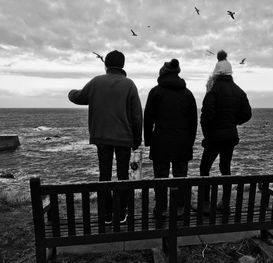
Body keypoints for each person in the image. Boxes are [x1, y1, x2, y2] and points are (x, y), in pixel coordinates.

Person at [68, 50, 143, 224]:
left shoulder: (96, 82)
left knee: (105, 176)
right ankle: (122, 212)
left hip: (101, 136)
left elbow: (78, 97)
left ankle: (107, 214)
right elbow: (137, 115)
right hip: (124, 138)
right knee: (123, 176)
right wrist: (137, 139)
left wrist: (70, 92)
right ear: (122, 65)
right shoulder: (129, 84)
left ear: (106, 64)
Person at [144, 58, 197, 216]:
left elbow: (148, 119)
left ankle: (161, 208)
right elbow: (193, 122)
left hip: (160, 141)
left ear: (163, 73)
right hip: (182, 143)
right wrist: (190, 142)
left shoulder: (155, 92)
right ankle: (180, 208)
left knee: (160, 178)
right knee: (181, 177)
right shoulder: (187, 94)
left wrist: (148, 141)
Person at [200, 51, 252, 214]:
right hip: (230, 136)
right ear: (230, 73)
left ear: (216, 73)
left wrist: (208, 136)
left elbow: (206, 116)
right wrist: (232, 122)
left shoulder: (213, 91)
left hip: (214, 137)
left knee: (204, 168)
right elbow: (247, 114)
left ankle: (206, 204)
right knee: (225, 169)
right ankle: (225, 203)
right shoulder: (239, 91)